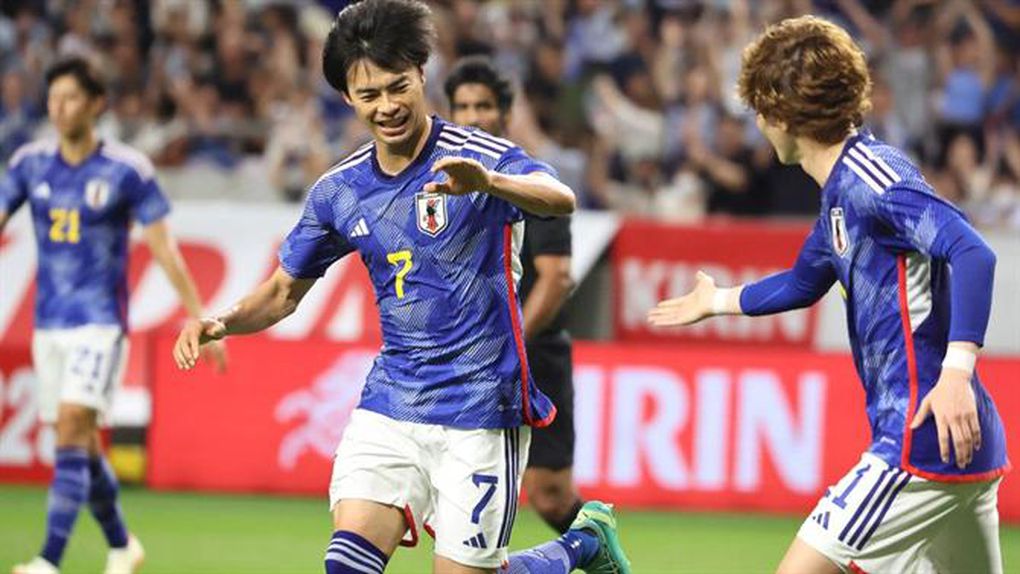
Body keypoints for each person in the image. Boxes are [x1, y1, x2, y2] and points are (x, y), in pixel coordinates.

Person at [172, 2, 630, 573]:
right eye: (369, 95)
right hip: (393, 403)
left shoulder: (476, 157)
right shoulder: (340, 191)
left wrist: (489, 183)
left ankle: (580, 543)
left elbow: (560, 198)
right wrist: (219, 321)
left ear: (421, 73)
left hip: (481, 405)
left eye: (398, 87)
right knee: (347, 565)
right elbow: (283, 292)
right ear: (348, 97)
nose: (386, 106)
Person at [648, 16, 1008, 574]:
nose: (759, 124)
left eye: (760, 110)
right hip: (962, 444)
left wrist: (956, 374)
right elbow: (801, 283)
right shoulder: (841, 191)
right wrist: (717, 300)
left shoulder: (871, 181)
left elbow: (972, 253)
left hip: (916, 439)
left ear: (783, 114)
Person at [1, 57, 227, 574]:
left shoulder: (126, 170)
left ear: (96, 104)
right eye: (53, 98)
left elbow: (166, 250)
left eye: (71, 98)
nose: (60, 108)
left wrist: (203, 321)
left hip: (100, 324)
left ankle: (48, 561)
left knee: (72, 426)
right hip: (48, 324)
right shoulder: (30, 163)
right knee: (77, 442)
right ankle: (123, 545)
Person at [444, 55, 585, 536]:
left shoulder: (533, 182)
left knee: (550, 495)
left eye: (483, 106)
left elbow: (555, 279)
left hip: (532, 355)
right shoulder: (437, 183)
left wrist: (508, 344)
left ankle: (605, 554)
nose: (472, 117)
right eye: (463, 107)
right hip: (461, 357)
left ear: (504, 113)